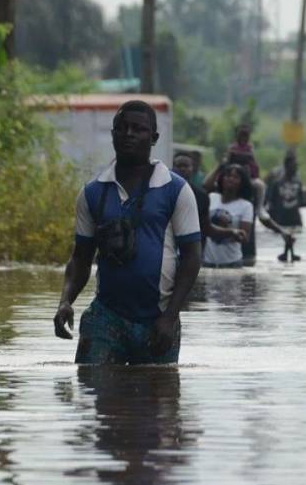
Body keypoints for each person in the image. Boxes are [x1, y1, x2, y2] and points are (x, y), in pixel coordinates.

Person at [53, 100, 202, 365]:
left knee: (158, 400)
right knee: (92, 392)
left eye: (138, 129)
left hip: (159, 320)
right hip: (106, 318)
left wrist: (169, 317)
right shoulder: (92, 193)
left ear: (154, 138)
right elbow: (81, 258)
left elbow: (192, 258)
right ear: (113, 134)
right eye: (121, 128)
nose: (129, 134)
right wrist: (65, 301)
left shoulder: (176, 190)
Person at [172, 152, 246, 251]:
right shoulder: (163, 193)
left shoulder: (201, 197)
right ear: (172, 168)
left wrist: (232, 232)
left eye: (186, 166)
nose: (182, 169)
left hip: (191, 251)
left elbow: (207, 228)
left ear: (193, 169)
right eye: (178, 166)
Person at [202, 164, 255, 268]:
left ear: (242, 183)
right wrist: (219, 166)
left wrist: (226, 234)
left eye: (235, 177)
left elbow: (245, 238)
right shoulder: (211, 198)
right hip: (208, 262)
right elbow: (205, 185)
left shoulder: (246, 206)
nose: (230, 179)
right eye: (227, 175)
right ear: (221, 179)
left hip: (232, 263)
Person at [265, 150, 306, 228]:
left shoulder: (298, 183)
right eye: (294, 165)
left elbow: (300, 202)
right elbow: (270, 203)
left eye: (296, 165)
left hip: (296, 222)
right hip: (280, 222)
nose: (296, 168)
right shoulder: (277, 183)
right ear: (286, 165)